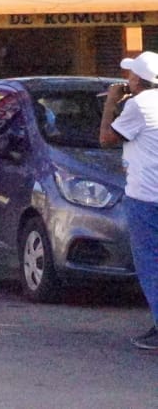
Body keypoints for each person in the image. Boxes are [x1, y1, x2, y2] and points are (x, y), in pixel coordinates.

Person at [99, 51, 158, 351]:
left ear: (137, 79)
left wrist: (111, 102)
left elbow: (107, 138)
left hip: (146, 196)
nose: (126, 80)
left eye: (130, 76)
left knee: (150, 263)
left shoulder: (138, 105)